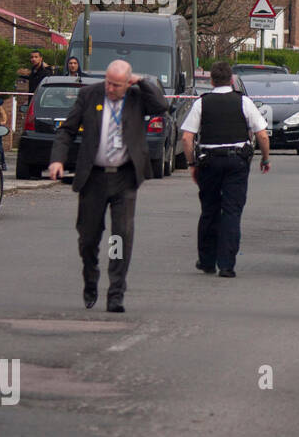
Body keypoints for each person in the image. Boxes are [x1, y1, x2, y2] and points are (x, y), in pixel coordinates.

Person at [48, 59, 169, 313]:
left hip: (124, 177)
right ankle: (90, 278)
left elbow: (161, 106)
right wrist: (57, 159)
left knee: (120, 236)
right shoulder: (89, 95)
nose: (110, 89)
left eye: (117, 85)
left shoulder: (136, 98)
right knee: (89, 238)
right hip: (94, 178)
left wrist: (143, 82)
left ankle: (116, 292)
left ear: (128, 83)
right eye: (108, 83)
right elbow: (67, 130)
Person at [179, 61, 272, 278]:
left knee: (209, 210)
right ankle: (227, 264)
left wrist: (192, 164)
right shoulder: (244, 102)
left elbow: (186, 137)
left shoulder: (202, 103)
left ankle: (207, 261)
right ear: (232, 80)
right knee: (231, 212)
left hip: (209, 162)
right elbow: (262, 135)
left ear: (211, 81)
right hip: (236, 162)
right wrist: (265, 158)